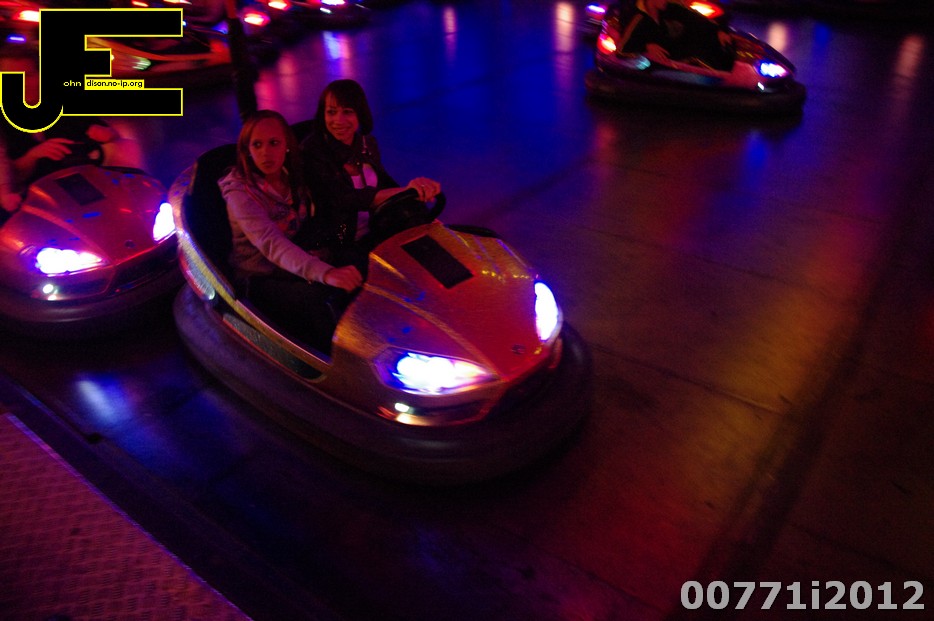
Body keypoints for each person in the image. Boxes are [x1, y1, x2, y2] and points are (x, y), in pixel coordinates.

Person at [219, 109, 363, 352]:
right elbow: (272, 244)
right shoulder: (240, 193)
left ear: (286, 145)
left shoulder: (291, 175)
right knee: (315, 297)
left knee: (356, 259)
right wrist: (325, 272)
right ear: (247, 150)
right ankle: (332, 360)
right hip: (258, 275)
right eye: (257, 145)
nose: (266, 153)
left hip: (294, 256)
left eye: (274, 143)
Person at [300, 79, 441, 258]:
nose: (338, 120)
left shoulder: (366, 144)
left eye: (347, 112)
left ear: (360, 113)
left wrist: (418, 194)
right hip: (339, 241)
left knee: (429, 246)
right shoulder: (312, 151)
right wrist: (407, 191)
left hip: (376, 230)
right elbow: (344, 199)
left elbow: (384, 184)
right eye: (331, 112)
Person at [0, 46, 145, 188]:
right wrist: (33, 156)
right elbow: (10, 179)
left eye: (28, 75)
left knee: (127, 147)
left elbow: (108, 135)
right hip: (31, 193)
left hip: (80, 182)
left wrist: (108, 134)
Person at [619, 0, 733, 71]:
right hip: (660, 69)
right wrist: (646, 46)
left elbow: (697, 19)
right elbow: (622, 49)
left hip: (684, 58)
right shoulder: (636, 17)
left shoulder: (670, 7)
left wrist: (720, 30)